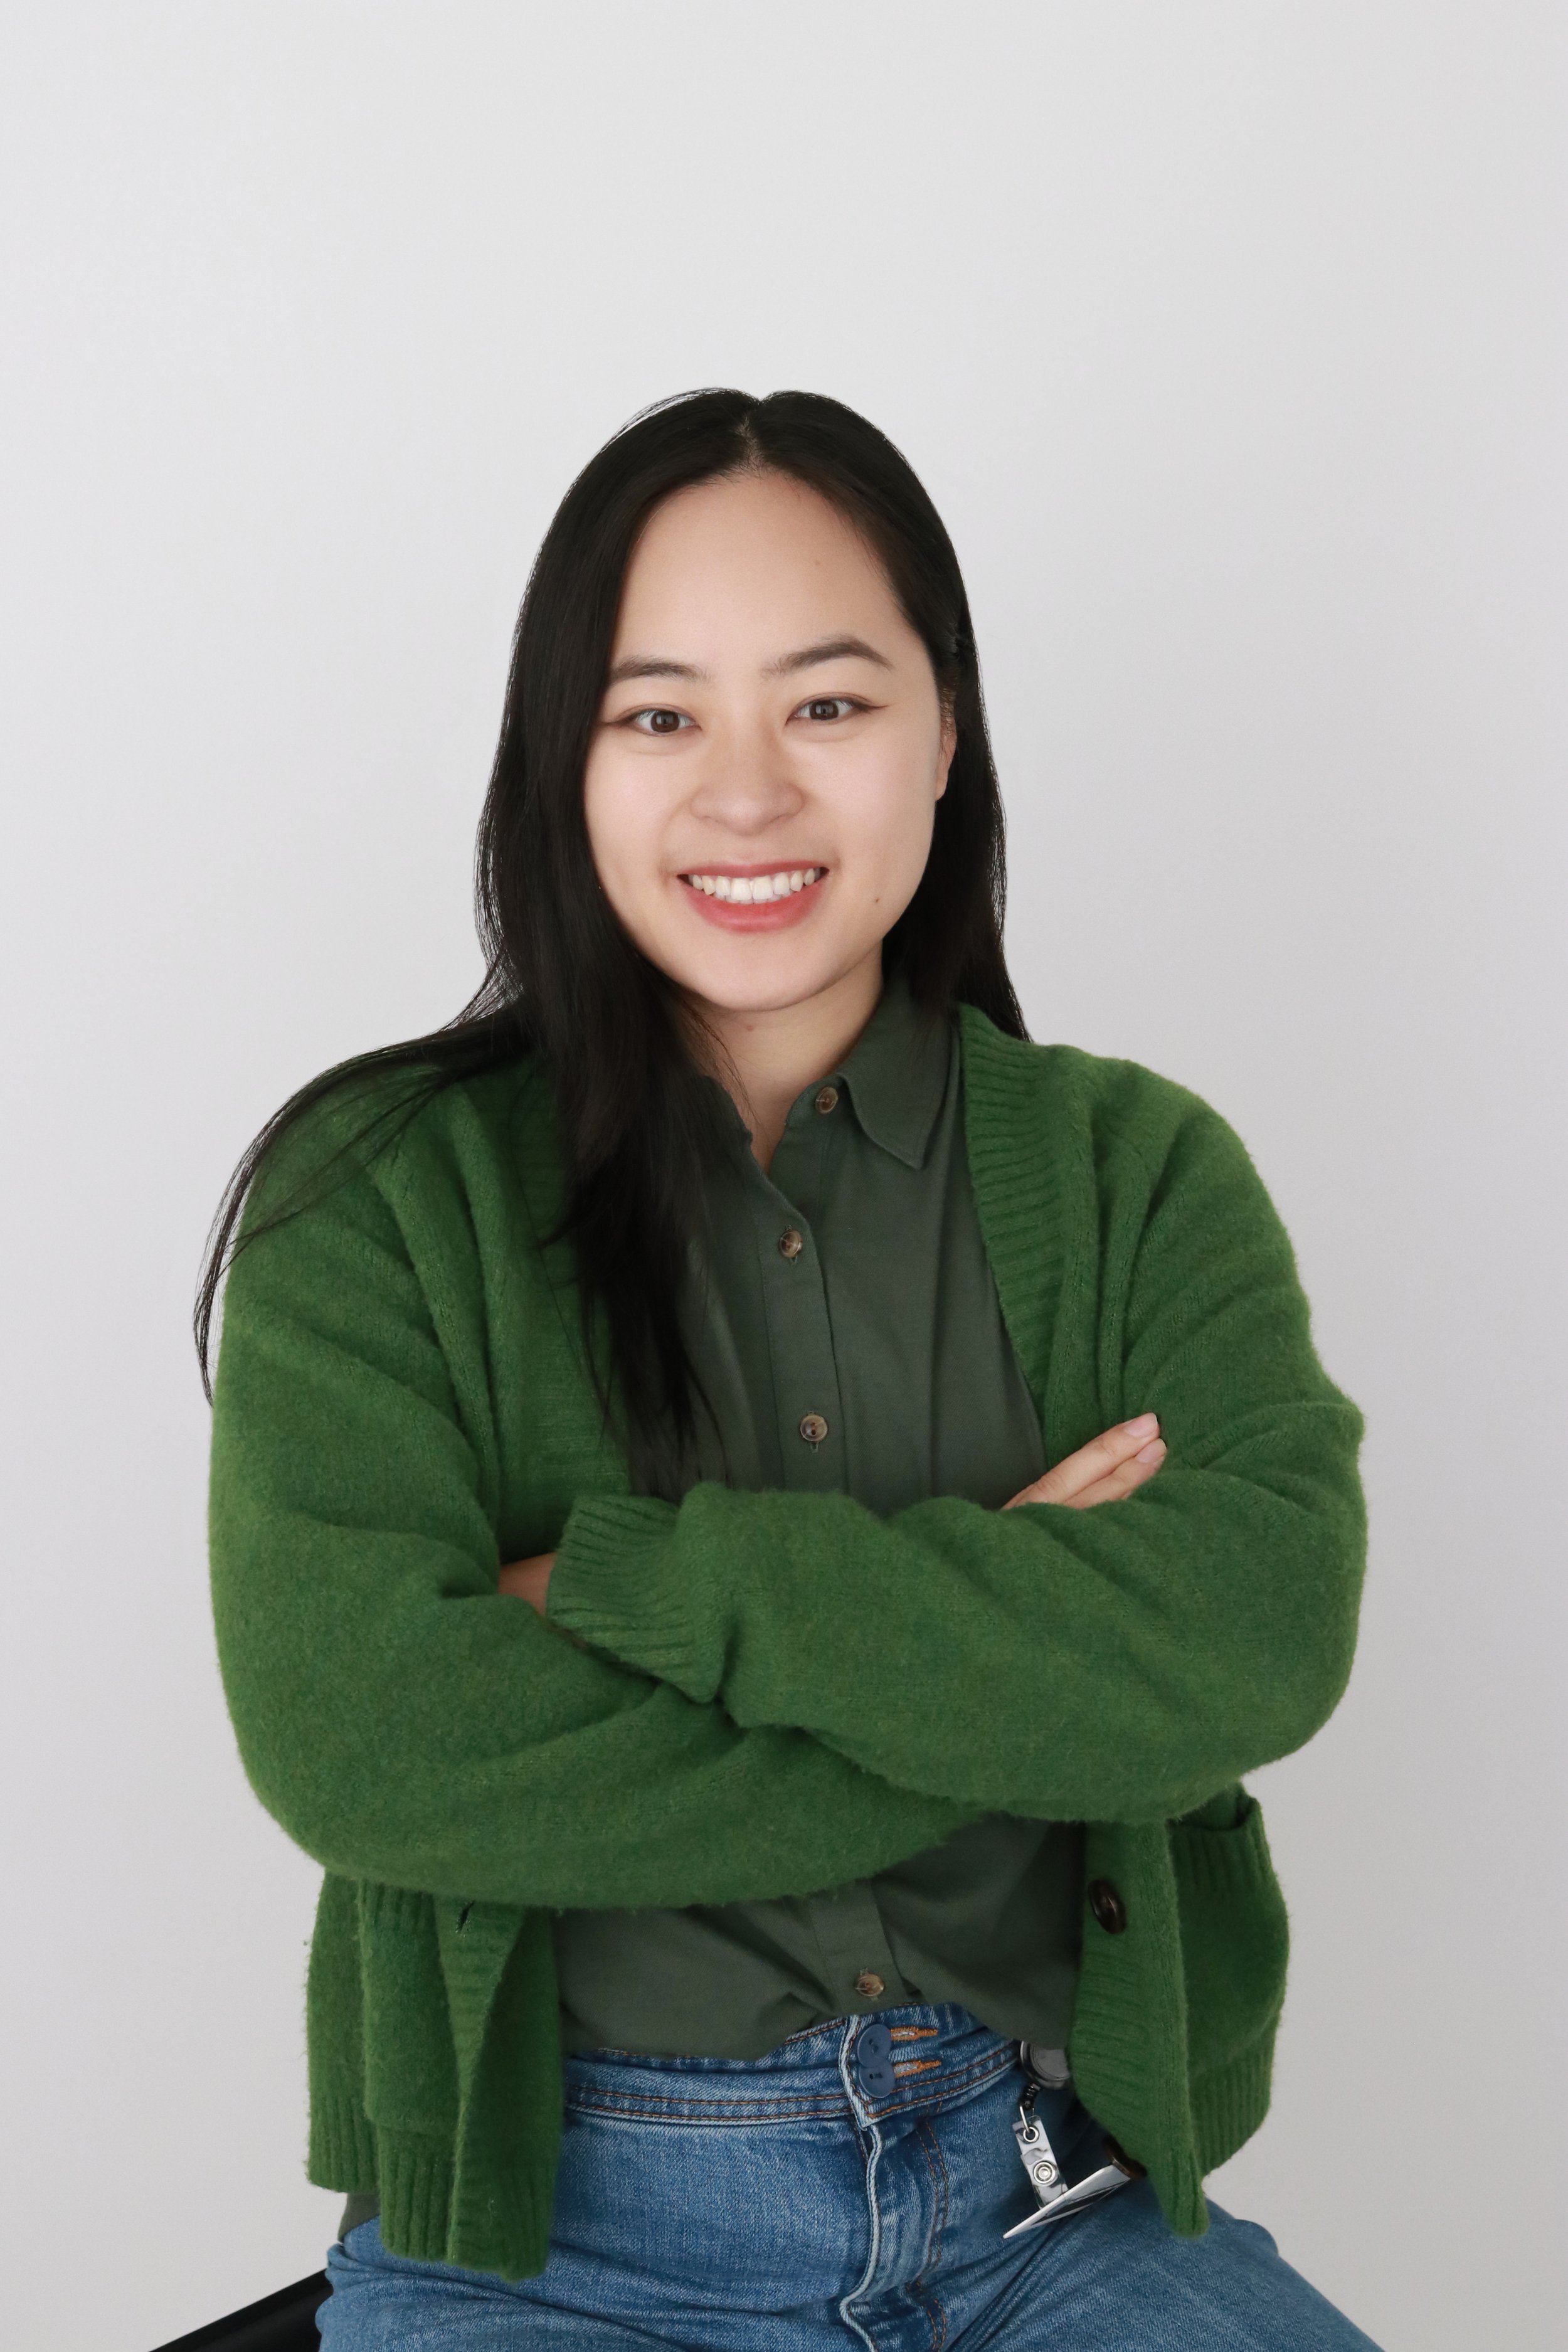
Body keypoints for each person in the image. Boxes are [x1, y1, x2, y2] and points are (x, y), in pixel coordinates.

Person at [201, 389, 1377, 2348]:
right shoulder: (381, 1199)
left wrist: (636, 1587)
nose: (743, 794)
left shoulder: (1132, 1171)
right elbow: (365, 1741)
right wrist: (1008, 1648)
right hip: (556, 2249)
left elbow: (1257, 1633)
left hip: (1048, 2211)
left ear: (943, 733)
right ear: (559, 763)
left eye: (825, 706)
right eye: (656, 714)